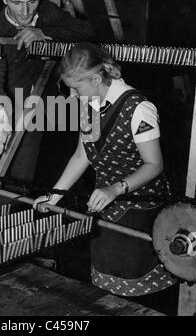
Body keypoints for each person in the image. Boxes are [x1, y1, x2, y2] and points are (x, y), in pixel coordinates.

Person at [34, 42, 177, 296]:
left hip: (140, 209)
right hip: (105, 207)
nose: (72, 96)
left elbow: (154, 164)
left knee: (137, 291)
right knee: (105, 289)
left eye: (76, 89)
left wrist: (116, 188)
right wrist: (53, 197)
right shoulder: (88, 107)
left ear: (98, 78)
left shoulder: (138, 109)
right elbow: (82, 155)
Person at [0, 0, 96, 182]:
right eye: (17, 3)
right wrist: (1, 115)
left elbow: (87, 32)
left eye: (31, 2)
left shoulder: (47, 12)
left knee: (25, 178)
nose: (25, 11)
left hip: (43, 108)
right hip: (7, 106)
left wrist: (44, 33)